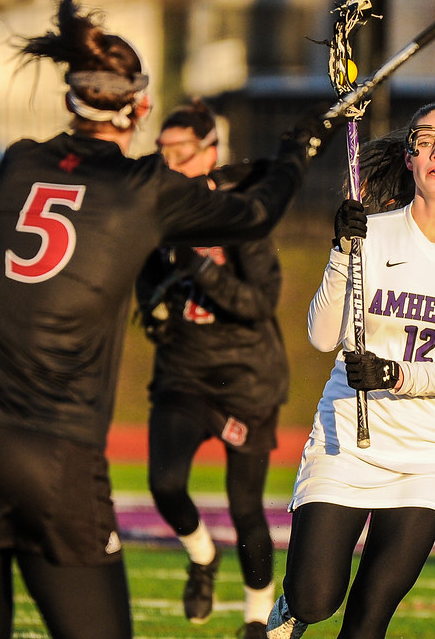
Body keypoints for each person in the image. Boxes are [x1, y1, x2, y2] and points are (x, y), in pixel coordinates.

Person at [0, 0, 342, 639]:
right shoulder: (145, 191)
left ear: (69, 99)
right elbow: (255, 213)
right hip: (55, 450)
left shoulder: (18, 164)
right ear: (138, 107)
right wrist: (296, 151)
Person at [266, 103, 435, 639]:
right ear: (410, 159)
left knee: (367, 623)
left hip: (427, 458)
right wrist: (341, 252)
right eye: (425, 139)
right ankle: (291, 604)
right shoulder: (370, 234)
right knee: (315, 599)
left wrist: (399, 376)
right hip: (347, 443)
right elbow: (320, 335)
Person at [135, 100, 288, 639]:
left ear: (210, 152)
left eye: (181, 153)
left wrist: (198, 265)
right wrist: (150, 299)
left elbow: (260, 302)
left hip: (245, 378)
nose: (171, 164)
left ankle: (256, 618)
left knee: (246, 507)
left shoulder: (239, 212)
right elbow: (145, 275)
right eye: (164, 152)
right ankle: (202, 555)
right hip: (183, 371)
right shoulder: (158, 209)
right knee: (164, 482)